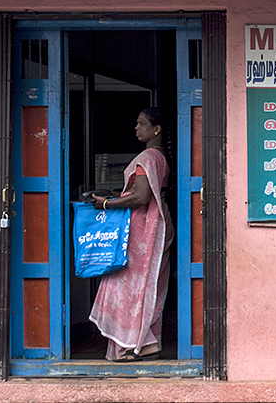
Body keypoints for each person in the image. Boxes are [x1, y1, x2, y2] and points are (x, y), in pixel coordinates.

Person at [89, 108, 174, 362]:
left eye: (141, 124)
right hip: (157, 225)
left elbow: (141, 197)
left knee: (127, 285)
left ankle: (132, 344)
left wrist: (106, 204)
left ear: (156, 129)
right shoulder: (160, 157)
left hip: (143, 228)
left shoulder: (147, 157)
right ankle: (144, 342)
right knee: (147, 285)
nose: (136, 128)